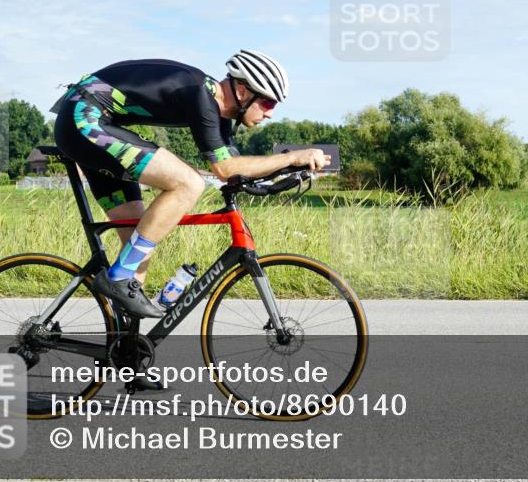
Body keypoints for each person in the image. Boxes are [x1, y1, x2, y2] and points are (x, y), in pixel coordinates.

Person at [51, 50, 329, 318]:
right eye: (268, 103)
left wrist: (288, 171)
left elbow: (236, 171)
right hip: (84, 120)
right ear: (243, 91)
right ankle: (118, 277)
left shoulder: (217, 111)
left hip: (90, 125)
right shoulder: (201, 96)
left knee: (137, 239)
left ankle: (125, 349)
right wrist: (291, 156)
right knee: (188, 183)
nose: (270, 113)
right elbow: (224, 169)